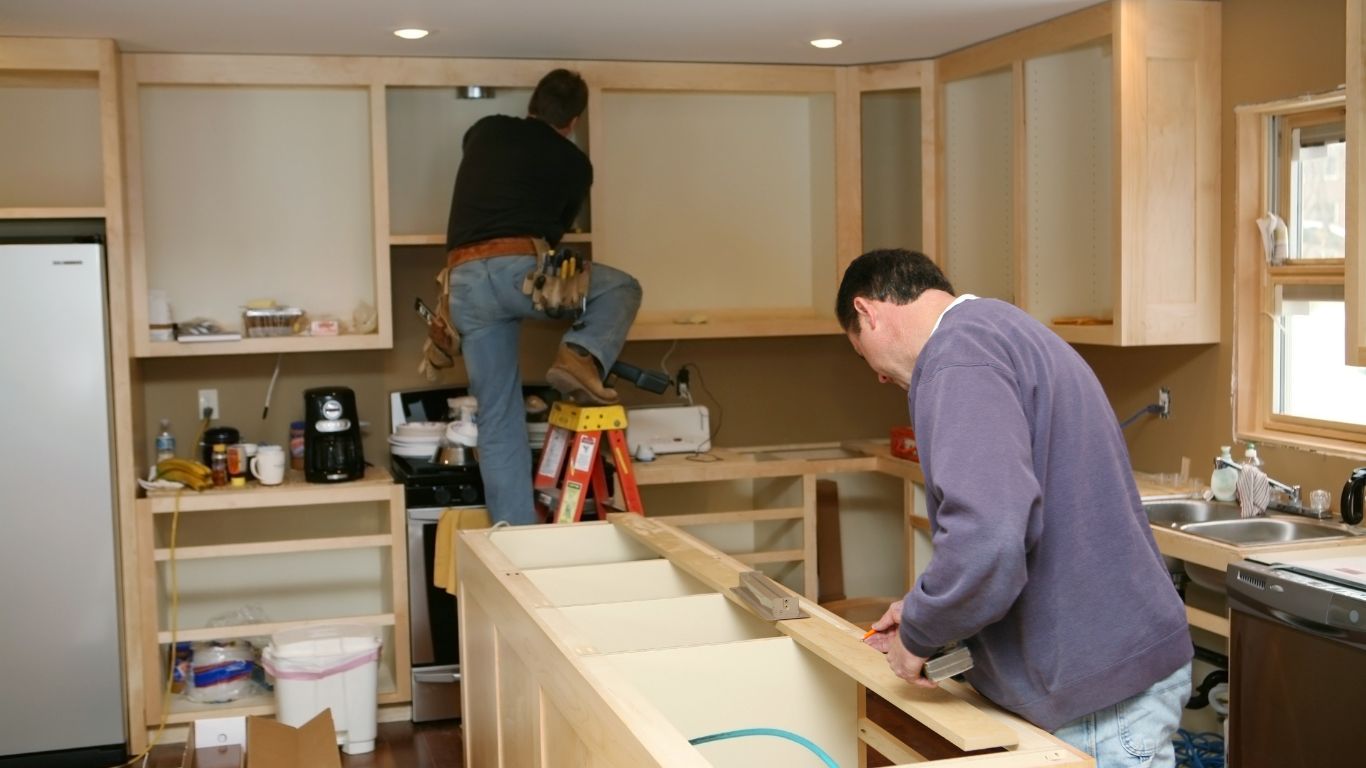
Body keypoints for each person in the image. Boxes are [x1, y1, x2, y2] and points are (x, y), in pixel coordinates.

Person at [837, 249, 1192, 767]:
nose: (876, 374)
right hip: (1109, 670)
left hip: (1095, 697)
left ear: (868, 312)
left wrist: (917, 637)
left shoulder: (957, 358)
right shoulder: (1001, 328)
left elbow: (989, 536)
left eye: (859, 352)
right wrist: (925, 610)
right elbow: (1009, 524)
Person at [445, 68, 642, 526]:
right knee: (622, 287)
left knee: (497, 418)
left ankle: (515, 534)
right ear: (573, 121)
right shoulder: (575, 165)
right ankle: (580, 355)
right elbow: (551, 238)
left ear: (531, 105)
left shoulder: (486, 129)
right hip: (517, 271)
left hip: (462, 284)